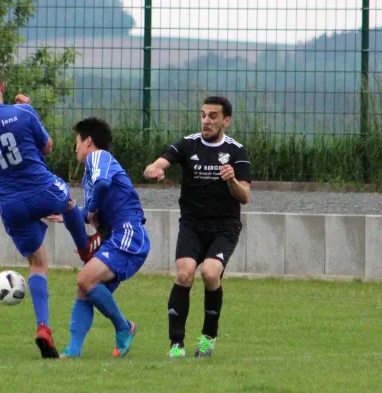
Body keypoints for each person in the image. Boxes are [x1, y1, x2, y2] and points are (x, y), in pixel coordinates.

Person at [0, 66, 100, 359]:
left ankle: (43, 326)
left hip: (9, 204)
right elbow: (47, 147)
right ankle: (84, 250)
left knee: (38, 264)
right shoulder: (23, 114)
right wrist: (30, 111)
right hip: (40, 188)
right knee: (70, 204)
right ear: (3, 85)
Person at [143, 96, 251, 358]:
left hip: (224, 227)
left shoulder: (237, 151)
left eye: (213, 116)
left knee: (211, 274)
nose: (206, 120)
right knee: (184, 274)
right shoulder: (187, 145)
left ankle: (207, 340)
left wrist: (232, 181)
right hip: (192, 225)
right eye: (203, 115)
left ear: (226, 120)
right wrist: (153, 171)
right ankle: (176, 344)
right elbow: (157, 163)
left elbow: (245, 195)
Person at [47, 117, 150, 359]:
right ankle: (73, 351)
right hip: (117, 236)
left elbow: (102, 187)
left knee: (85, 279)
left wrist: (90, 209)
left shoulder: (99, 158)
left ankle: (125, 327)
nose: (75, 148)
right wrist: (70, 215)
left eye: (77, 142)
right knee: (84, 288)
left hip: (128, 234)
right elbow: (93, 210)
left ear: (88, 142)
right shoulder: (90, 171)